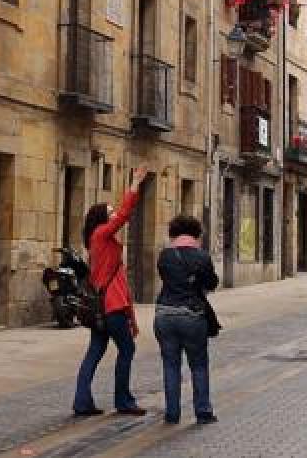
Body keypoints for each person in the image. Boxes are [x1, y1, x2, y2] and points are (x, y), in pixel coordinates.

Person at [72, 166, 150, 417]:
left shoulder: (96, 239)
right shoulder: (101, 235)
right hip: (111, 306)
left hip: (102, 305)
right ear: (102, 220)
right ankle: (123, 400)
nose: (114, 213)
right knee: (127, 349)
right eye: (109, 212)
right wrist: (135, 184)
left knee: (95, 352)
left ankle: (82, 402)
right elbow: (125, 214)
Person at [154, 213, 219, 425]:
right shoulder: (202, 257)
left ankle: (172, 414)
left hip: (164, 315)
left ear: (173, 232)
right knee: (198, 365)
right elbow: (211, 283)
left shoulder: (164, 256)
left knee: (170, 365)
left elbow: (167, 279)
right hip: (192, 315)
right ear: (196, 233)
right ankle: (203, 412)